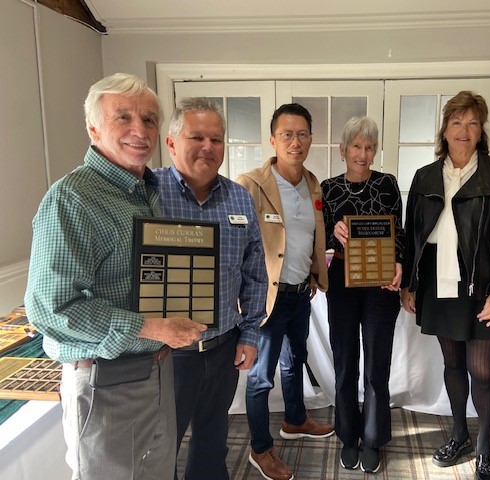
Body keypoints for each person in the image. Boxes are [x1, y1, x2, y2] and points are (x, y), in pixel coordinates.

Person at [25, 73, 207, 480]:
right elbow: (50, 308)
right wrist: (153, 326)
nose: (139, 130)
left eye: (149, 119)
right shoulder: (71, 197)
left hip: (158, 370)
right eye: (122, 117)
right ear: (93, 127)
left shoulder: (148, 190)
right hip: (107, 382)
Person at [400, 91, 490, 480]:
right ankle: (459, 435)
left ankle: (485, 445)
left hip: (482, 285)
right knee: (452, 363)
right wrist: (409, 284)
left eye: (472, 123)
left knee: (482, 371)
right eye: (457, 122)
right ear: (445, 128)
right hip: (438, 284)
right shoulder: (424, 176)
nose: (464, 130)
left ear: (481, 129)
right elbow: (412, 235)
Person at [155, 97, 268, 480]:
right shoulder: (147, 193)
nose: (208, 147)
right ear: (171, 143)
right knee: (160, 448)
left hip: (222, 348)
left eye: (216, 139)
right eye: (197, 137)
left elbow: (255, 272)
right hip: (167, 356)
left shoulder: (238, 197)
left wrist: (250, 333)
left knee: (212, 440)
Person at [236, 103, 333, 480]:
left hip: (299, 293)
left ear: (311, 139)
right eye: (287, 134)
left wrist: (312, 274)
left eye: (303, 134)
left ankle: (295, 420)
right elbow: (240, 246)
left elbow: (309, 237)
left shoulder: (313, 184)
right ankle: (260, 449)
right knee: (261, 377)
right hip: (265, 299)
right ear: (273, 139)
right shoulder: (252, 184)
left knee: (295, 362)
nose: (296, 142)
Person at [321, 116, 405, 474]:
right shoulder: (326, 189)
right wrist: (333, 235)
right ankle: (348, 435)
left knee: (375, 368)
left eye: (369, 147)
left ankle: (372, 437)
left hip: (380, 284)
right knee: (344, 365)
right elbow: (318, 242)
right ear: (343, 150)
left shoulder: (388, 184)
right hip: (341, 281)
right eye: (356, 146)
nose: (363, 153)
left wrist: (399, 264)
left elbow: (399, 232)